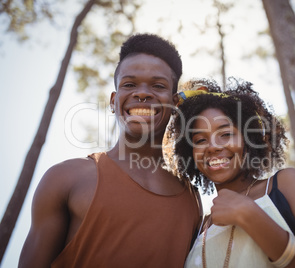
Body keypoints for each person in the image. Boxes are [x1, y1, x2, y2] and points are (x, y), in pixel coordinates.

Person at [19, 33, 202, 268]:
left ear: (175, 103)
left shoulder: (192, 199)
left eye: (158, 86)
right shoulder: (66, 178)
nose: (142, 93)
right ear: (114, 101)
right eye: (129, 84)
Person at [168, 77, 295, 267]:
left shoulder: (286, 185)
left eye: (226, 134)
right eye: (200, 140)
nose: (213, 146)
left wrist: (250, 217)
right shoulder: (198, 229)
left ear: (249, 140)